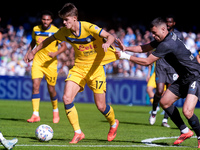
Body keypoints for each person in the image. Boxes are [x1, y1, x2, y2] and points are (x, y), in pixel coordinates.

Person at [27, 3, 119, 144]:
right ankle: (78, 132)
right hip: (79, 68)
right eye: (63, 20)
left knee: (101, 106)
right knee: (67, 98)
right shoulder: (64, 32)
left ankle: (113, 123)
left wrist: (107, 43)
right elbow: (47, 41)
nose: (63, 23)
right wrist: (33, 51)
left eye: (66, 20)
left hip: (96, 69)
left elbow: (110, 36)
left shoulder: (88, 27)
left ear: (75, 18)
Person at [116, 17, 200, 148]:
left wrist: (124, 56)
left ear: (163, 29)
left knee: (187, 111)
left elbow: (147, 61)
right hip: (184, 77)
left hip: (195, 76)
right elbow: (145, 47)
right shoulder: (166, 38)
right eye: (152, 33)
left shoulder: (167, 44)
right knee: (164, 102)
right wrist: (126, 48)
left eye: (155, 33)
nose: (153, 36)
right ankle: (185, 131)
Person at [24, 10, 67, 123]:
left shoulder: (56, 31)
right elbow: (33, 42)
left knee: (51, 89)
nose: (45, 21)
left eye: (48, 19)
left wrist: (55, 53)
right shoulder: (36, 29)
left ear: (51, 20)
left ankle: (55, 110)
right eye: (44, 19)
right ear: (41, 19)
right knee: (35, 86)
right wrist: (28, 53)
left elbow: (64, 47)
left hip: (51, 64)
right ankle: (35, 114)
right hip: (38, 62)